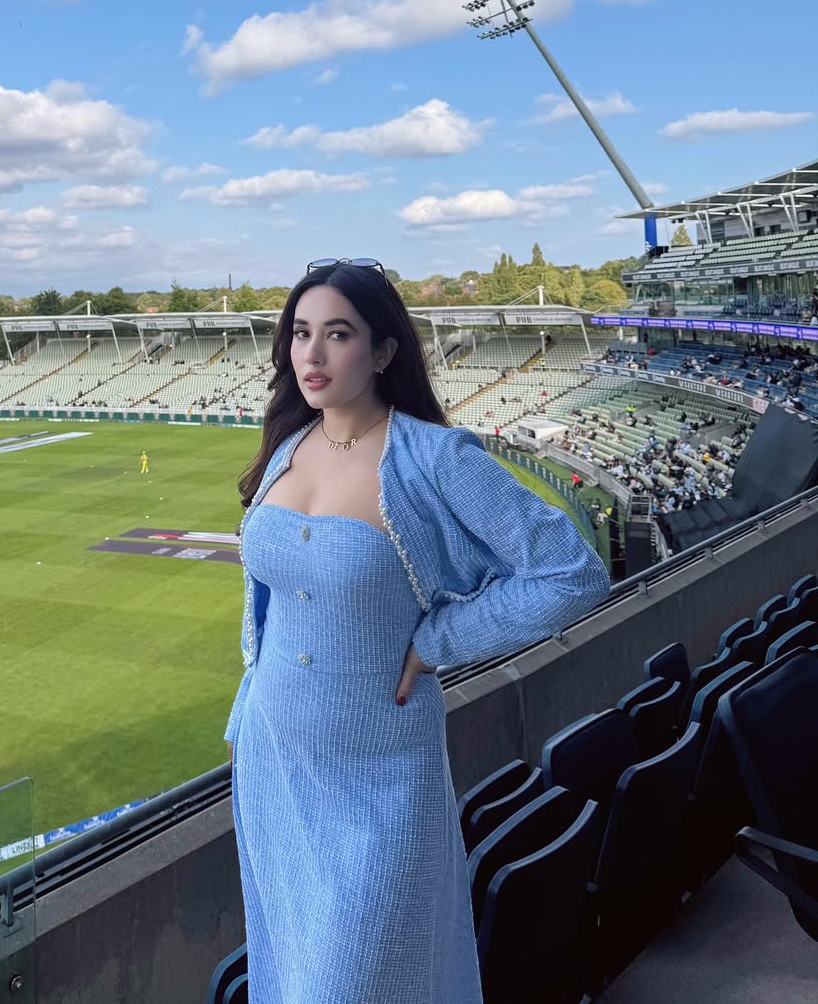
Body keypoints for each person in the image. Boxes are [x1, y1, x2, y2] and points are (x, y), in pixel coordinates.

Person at [223, 257, 610, 1003]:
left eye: (338, 334)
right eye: (300, 333)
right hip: (273, 766)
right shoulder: (285, 447)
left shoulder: (433, 458)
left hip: (380, 776)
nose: (312, 353)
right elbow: (269, 606)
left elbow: (572, 574)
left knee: (352, 984)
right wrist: (247, 704)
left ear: (383, 350)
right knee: (290, 976)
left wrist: (439, 643)